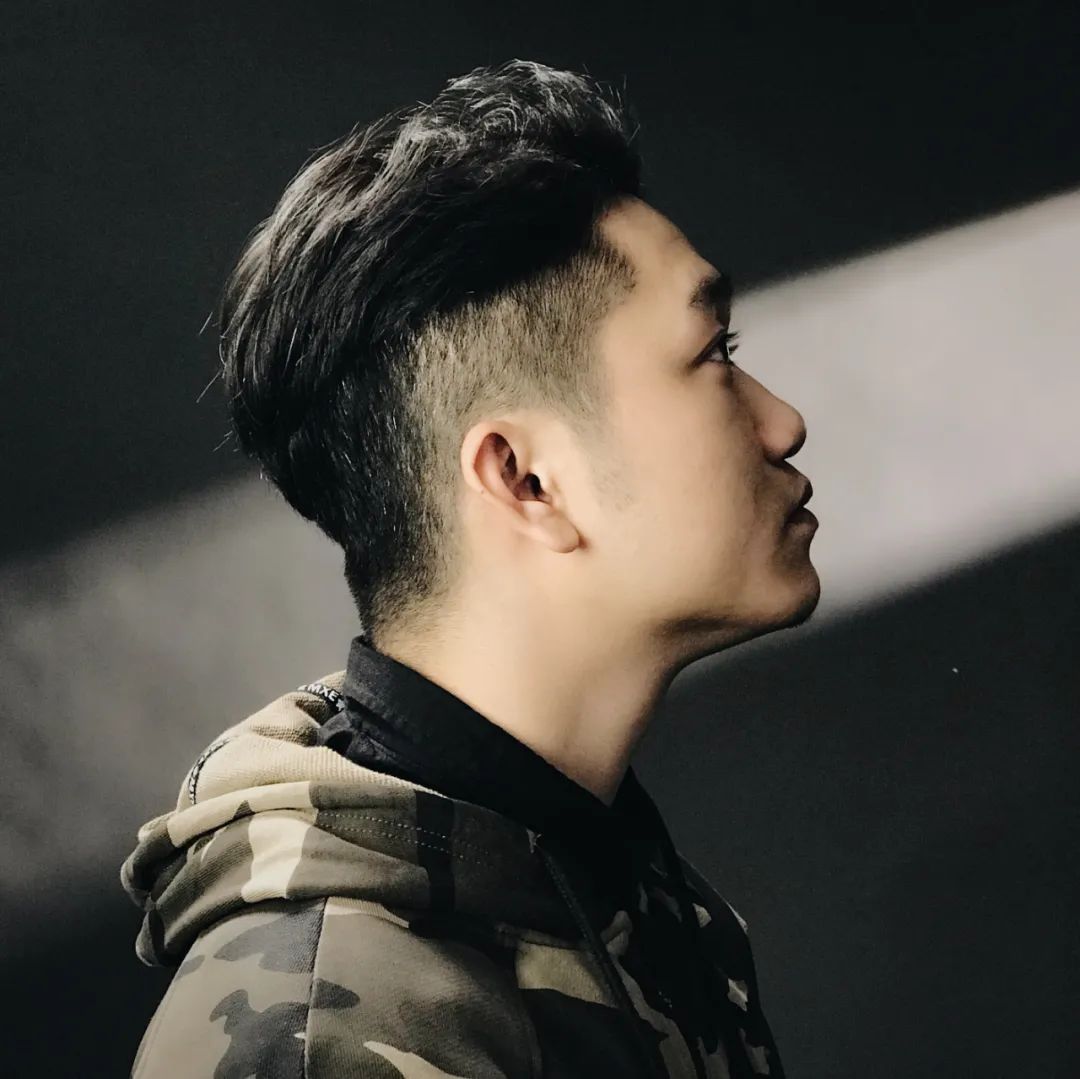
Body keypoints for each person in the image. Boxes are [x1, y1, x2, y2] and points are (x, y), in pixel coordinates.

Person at [122, 57, 818, 1078]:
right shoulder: (319, 1040)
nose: (783, 422)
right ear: (526, 478)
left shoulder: (627, 903)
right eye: (715, 351)